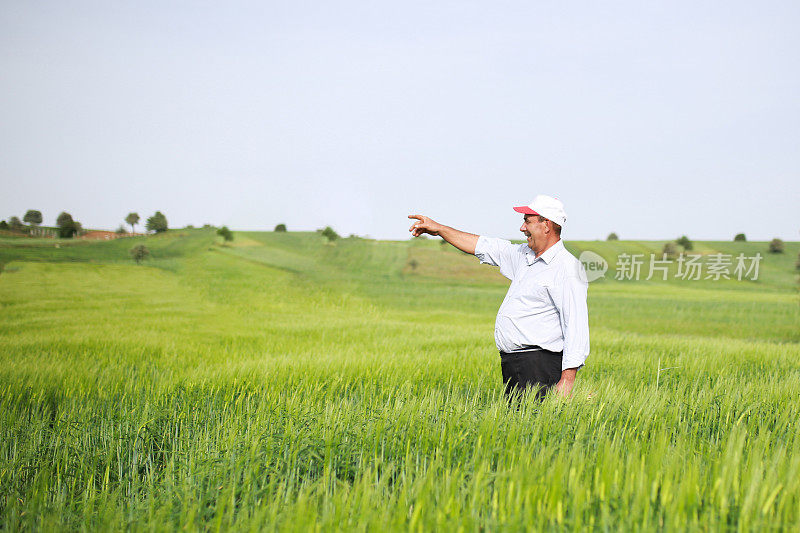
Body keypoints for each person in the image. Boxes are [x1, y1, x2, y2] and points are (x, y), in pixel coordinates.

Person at [408, 195, 589, 401]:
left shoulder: (567, 268)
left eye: (527, 221)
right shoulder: (523, 256)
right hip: (514, 364)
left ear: (546, 224)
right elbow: (482, 245)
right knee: (516, 428)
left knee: (532, 428)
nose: (522, 228)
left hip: (540, 365)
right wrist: (439, 229)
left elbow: (576, 324)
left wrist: (567, 379)